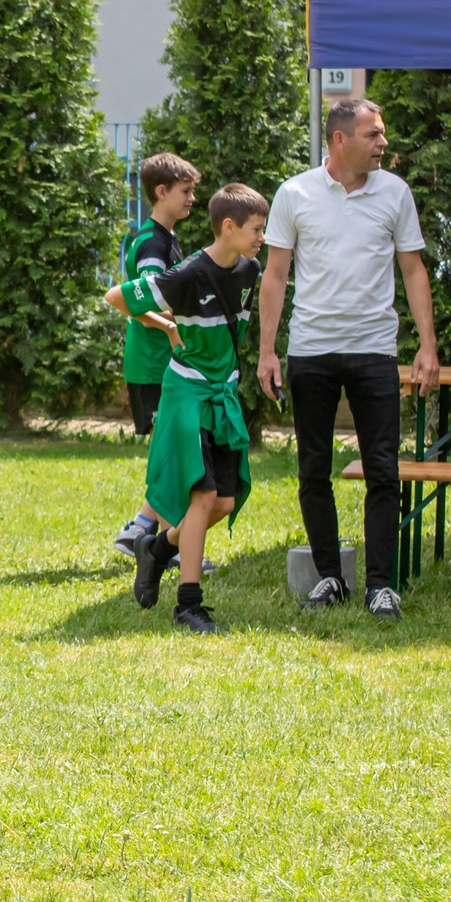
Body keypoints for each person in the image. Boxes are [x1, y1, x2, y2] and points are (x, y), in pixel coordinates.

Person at [257, 99, 439, 621]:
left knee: (384, 470)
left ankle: (380, 586)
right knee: (314, 471)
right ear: (340, 139)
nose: (383, 142)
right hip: (310, 351)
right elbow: (275, 276)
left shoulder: (395, 193)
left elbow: (413, 270)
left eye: (382, 134)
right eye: (373, 134)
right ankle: (329, 578)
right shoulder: (295, 194)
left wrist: (427, 344)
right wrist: (267, 351)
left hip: (374, 350)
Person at [106, 182, 268, 634]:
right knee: (202, 497)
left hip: (222, 394)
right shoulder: (187, 273)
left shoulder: (251, 270)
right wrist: (168, 328)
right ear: (229, 227)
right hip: (187, 395)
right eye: (256, 229)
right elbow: (117, 298)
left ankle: (158, 550)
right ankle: (188, 604)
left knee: (225, 501)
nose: (262, 237)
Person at [112, 154, 201, 562]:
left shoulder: (164, 238)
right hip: (153, 366)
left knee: (174, 450)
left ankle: (141, 530)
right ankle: (165, 542)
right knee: (172, 451)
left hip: (161, 364)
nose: (193, 199)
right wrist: (170, 325)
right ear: (161, 192)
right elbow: (139, 299)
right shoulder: (152, 243)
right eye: (186, 191)